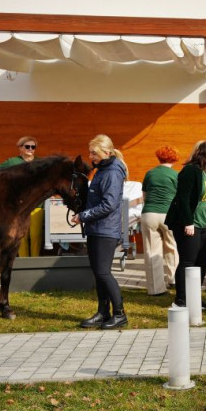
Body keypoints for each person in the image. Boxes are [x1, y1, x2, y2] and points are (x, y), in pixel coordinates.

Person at [165, 140, 206, 308]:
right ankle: (181, 299)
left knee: (202, 261)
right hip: (188, 224)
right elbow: (183, 199)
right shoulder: (190, 171)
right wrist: (188, 222)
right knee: (188, 261)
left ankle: (194, 297)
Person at [75, 135, 129, 329]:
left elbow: (110, 204)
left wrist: (83, 215)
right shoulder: (103, 169)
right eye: (90, 152)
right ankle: (103, 312)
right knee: (99, 274)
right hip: (97, 228)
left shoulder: (112, 172)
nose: (91, 156)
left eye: (94, 153)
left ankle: (120, 314)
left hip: (105, 229)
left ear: (106, 152)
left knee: (103, 273)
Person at [0, 135, 44, 257]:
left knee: (36, 235)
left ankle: (35, 262)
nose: (31, 149)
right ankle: (24, 262)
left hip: (37, 205)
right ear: (20, 148)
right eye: (27, 146)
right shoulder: (12, 162)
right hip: (18, 208)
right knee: (21, 236)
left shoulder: (41, 163)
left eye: (33, 147)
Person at [140, 146, 179, 296]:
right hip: (169, 214)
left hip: (149, 214)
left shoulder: (150, 173)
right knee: (172, 246)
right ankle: (174, 280)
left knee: (151, 251)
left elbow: (144, 196)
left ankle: (156, 289)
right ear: (174, 159)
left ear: (159, 157)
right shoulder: (175, 175)